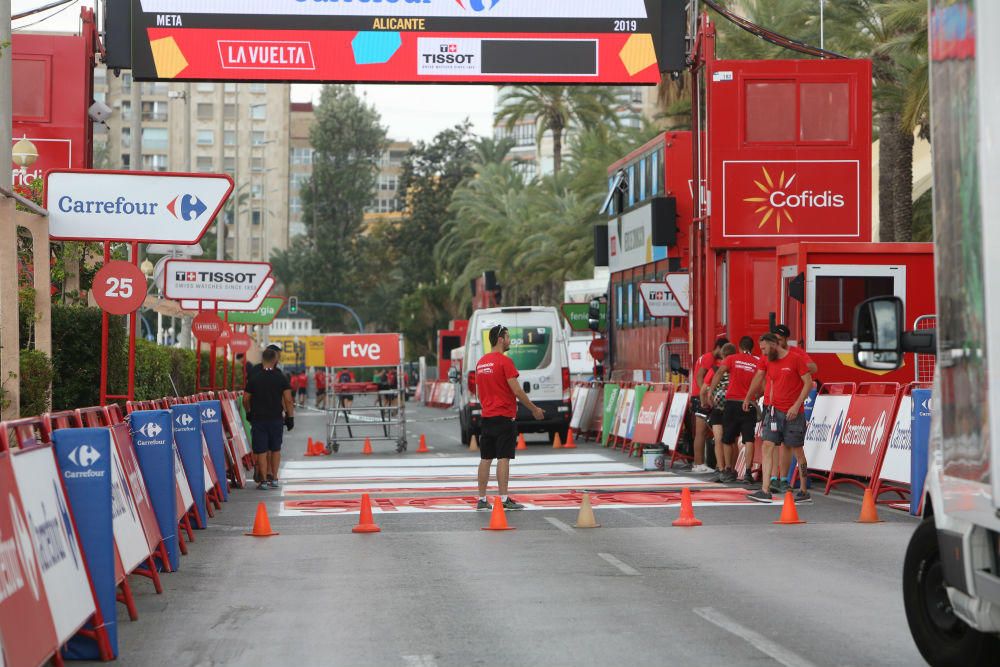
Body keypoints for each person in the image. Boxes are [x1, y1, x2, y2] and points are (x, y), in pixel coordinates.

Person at [475, 325, 545, 511]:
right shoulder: (505, 362)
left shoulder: (481, 363)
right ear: (500, 339)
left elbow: (478, 393)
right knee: (503, 458)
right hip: (504, 416)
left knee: (485, 458)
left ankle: (482, 500)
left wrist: (488, 405)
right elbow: (517, 390)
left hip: (487, 417)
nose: (509, 340)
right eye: (507, 337)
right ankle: (504, 498)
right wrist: (534, 409)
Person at [743, 333, 812, 503]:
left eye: (764, 348)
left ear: (774, 344)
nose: (763, 352)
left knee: (797, 450)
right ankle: (765, 490)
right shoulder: (766, 360)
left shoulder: (795, 359)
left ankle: (803, 491)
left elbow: (808, 383)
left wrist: (796, 406)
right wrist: (749, 397)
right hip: (774, 411)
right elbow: (760, 379)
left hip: (793, 413)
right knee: (767, 445)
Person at [708, 336, 760, 485]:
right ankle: (748, 473)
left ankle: (728, 470)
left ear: (739, 346)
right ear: (752, 347)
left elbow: (719, 373)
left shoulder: (732, 359)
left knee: (728, 439)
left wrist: (711, 390)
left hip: (732, 403)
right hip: (748, 404)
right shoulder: (757, 362)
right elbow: (762, 384)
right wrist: (755, 396)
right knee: (749, 439)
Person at [772, 324, 818, 493]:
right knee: (781, 446)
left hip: (795, 410)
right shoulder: (772, 356)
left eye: (780, 339)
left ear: (785, 339)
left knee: (798, 451)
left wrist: (799, 367)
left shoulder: (796, 355)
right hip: (778, 409)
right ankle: (781, 480)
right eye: (775, 339)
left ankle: (804, 489)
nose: (777, 342)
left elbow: (812, 371)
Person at [243, 348, 294, 490]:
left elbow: (246, 398)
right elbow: (288, 399)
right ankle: (275, 478)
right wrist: (290, 417)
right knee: (276, 448)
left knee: (261, 450)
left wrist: (248, 411)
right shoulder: (280, 377)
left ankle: (263, 480)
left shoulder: (254, 377)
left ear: (262, 359)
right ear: (275, 360)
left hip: (258, 419)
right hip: (276, 419)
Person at [690, 337, 729, 473]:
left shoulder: (705, 357)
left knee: (703, 432)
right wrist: (706, 393)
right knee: (701, 432)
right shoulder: (709, 359)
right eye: (723, 350)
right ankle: (699, 463)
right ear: (718, 347)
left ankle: (699, 463)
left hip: (698, 395)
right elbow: (700, 377)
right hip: (700, 397)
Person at [702, 342, 737, 482]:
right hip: (733, 407)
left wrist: (705, 402)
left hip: (717, 408)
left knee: (718, 439)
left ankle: (721, 469)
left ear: (722, 355)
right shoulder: (737, 368)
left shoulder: (715, 368)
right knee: (732, 441)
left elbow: (704, 388)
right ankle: (732, 469)